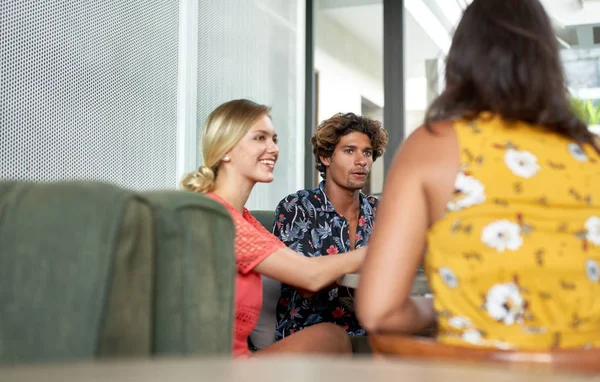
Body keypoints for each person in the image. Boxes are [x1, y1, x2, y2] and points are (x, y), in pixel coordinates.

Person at [356, 0, 600, 351]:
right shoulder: (593, 152)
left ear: (461, 61)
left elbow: (379, 312)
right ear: (547, 61)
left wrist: (440, 308)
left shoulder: (433, 145)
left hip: (474, 377)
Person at [181, 99, 367, 358]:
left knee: (333, 336)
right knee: (332, 337)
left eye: (274, 139)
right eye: (260, 138)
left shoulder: (245, 220)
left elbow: (300, 266)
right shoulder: (216, 217)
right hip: (216, 371)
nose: (273, 149)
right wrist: (381, 250)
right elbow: (309, 276)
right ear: (225, 150)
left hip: (238, 360)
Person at [273, 113, 388, 341]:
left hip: (373, 335)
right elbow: (306, 283)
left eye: (367, 152)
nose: (361, 161)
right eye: (349, 151)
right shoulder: (297, 208)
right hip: (310, 337)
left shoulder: (381, 212)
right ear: (326, 157)